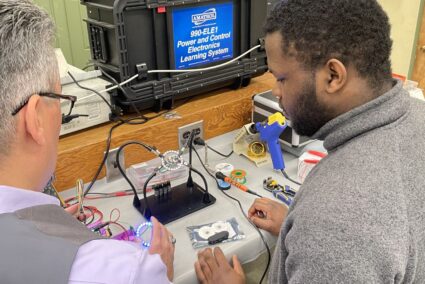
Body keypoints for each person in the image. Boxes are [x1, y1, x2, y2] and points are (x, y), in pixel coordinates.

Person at [195, 0, 425, 283]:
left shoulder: (334, 219)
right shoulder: (417, 115)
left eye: (281, 79)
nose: (276, 93)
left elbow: (345, 233)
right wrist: (297, 226)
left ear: (333, 76)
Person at [0, 1, 174, 283]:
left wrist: (48, 222)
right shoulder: (123, 271)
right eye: (59, 99)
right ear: (35, 120)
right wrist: (161, 270)